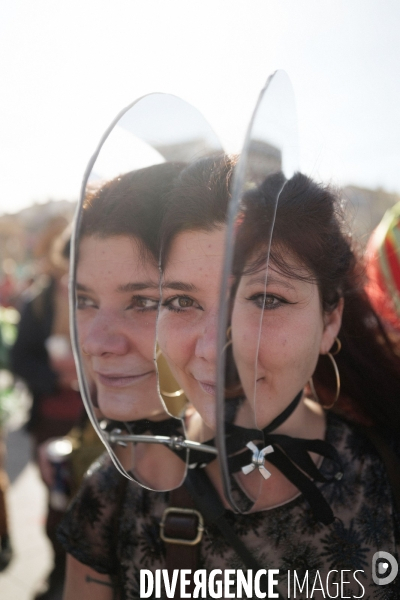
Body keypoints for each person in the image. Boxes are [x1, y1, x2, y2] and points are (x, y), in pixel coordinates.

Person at [61, 157, 400, 599]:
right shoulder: (116, 491)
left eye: (265, 299)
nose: (213, 350)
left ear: (330, 319)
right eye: (182, 301)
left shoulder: (387, 474)